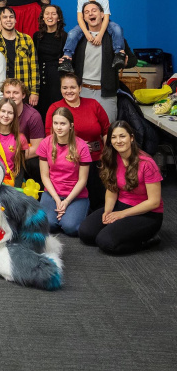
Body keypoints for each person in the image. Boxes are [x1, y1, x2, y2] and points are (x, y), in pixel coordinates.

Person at [79, 121, 164, 254]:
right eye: (114, 137)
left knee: (105, 242)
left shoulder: (147, 163)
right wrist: (108, 211)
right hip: (121, 205)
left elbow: (154, 202)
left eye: (122, 136)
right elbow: (111, 189)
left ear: (131, 138)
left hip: (147, 214)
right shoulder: (111, 158)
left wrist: (122, 214)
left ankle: (148, 240)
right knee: (86, 233)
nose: (118, 141)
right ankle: (117, 231)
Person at [46, 72, 110, 209]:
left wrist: (108, 155)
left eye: (73, 87)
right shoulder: (55, 108)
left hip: (97, 159)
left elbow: (106, 130)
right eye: (64, 88)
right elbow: (49, 136)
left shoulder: (93, 104)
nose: (69, 91)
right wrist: (77, 146)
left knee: (98, 200)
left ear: (80, 88)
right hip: (70, 162)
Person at [63, 1, 134, 121]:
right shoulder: (78, 39)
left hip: (106, 93)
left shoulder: (114, 37)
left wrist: (125, 63)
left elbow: (133, 60)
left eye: (94, 10)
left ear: (102, 14)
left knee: (108, 129)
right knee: (83, 127)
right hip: (82, 92)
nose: (90, 13)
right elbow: (70, 63)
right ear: (84, 18)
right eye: (86, 12)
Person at [37, 107, 91, 236]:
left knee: (70, 227)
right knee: (47, 225)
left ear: (71, 125)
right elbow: (44, 176)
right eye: (55, 123)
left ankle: (76, 211)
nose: (58, 127)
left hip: (75, 194)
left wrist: (66, 202)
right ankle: (60, 216)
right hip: (52, 192)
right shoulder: (45, 143)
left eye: (63, 124)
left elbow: (83, 180)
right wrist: (57, 199)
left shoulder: (82, 146)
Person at [60, 0, 127, 72]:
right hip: (85, 23)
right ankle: (67, 57)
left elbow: (106, 18)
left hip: (103, 22)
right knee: (72, 33)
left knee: (117, 28)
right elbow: (80, 18)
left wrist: (100, 35)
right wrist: (87, 34)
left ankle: (119, 53)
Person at [0, 78, 46, 156]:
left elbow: (37, 148)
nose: (11, 96)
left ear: (23, 95)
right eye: (8, 92)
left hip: (24, 157)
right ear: (3, 95)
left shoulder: (33, 116)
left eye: (16, 93)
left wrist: (10, 158)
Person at [0, 6, 39, 105]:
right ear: (0, 21)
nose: (8, 20)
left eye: (11, 17)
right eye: (5, 17)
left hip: (23, 92)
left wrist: (34, 92)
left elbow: (34, 67)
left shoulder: (27, 39)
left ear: (15, 20)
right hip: (2, 92)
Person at [0, 99, 32, 187]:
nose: (6, 115)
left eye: (10, 113)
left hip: (10, 183)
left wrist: (16, 190)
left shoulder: (20, 138)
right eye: (3, 111)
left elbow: (20, 168)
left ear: (14, 116)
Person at [34, 5, 68, 117]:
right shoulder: (37, 36)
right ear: (43, 17)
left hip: (56, 79)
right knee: (40, 111)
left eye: (53, 14)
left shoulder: (65, 37)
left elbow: (69, 61)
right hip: (40, 79)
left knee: (56, 111)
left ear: (58, 18)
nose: (50, 16)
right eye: (47, 13)